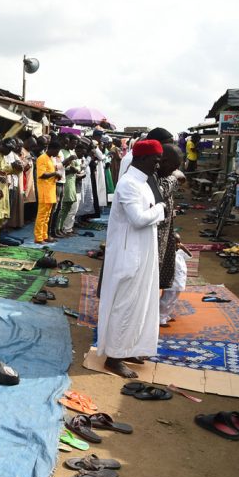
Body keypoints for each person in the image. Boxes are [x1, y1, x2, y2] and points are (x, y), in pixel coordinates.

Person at [95, 140, 166, 378]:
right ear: (143, 158)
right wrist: (161, 210)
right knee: (124, 305)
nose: (158, 165)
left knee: (140, 303)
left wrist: (157, 210)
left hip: (142, 252)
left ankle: (128, 349)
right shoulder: (128, 184)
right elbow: (137, 218)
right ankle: (113, 358)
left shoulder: (142, 182)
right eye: (155, 160)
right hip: (129, 255)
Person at [156, 145, 185, 292]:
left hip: (164, 228)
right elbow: (161, 192)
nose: (174, 170)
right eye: (173, 166)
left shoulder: (163, 174)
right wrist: (174, 177)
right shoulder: (151, 176)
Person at [0, 138, 21, 247]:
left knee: (0, 218)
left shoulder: (4, 156)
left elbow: (8, 171)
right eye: (8, 148)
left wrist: (17, 168)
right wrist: (11, 166)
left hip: (4, 188)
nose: (9, 151)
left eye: (11, 149)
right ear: (2, 144)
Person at [159, 235, 192, 327]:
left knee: (173, 300)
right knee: (166, 300)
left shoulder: (180, 252)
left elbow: (189, 255)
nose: (178, 244)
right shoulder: (167, 254)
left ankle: (166, 315)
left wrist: (183, 247)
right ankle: (160, 318)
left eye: (179, 242)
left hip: (179, 282)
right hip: (171, 282)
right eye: (176, 242)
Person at [34, 141, 61, 244]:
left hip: (50, 191)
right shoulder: (42, 158)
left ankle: (44, 236)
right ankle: (38, 238)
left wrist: (56, 175)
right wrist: (55, 173)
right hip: (44, 191)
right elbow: (42, 175)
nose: (57, 153)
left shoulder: (50, 158)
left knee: (47, 216)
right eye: (57, 151)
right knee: (42, 216)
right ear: (52, 149)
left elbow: (49, 174)